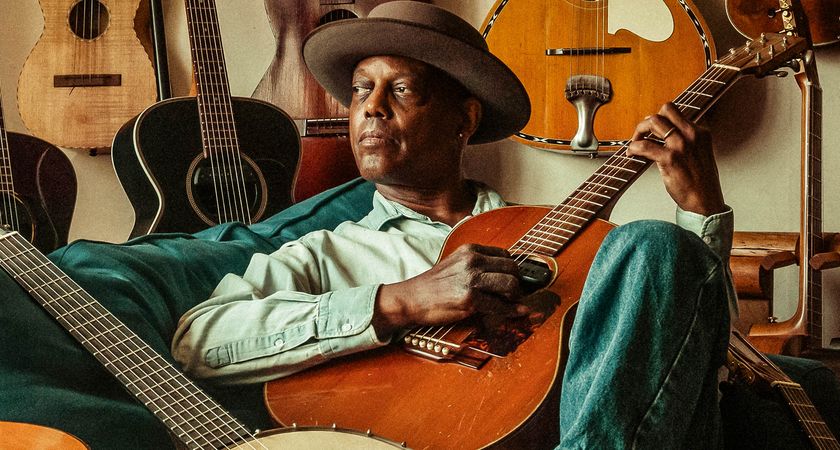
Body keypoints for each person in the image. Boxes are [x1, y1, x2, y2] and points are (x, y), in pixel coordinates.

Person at [172, 2, 735, 448]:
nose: (371, 106)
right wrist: (400, 302)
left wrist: (702, 210)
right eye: (361, 89)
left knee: (655, 241)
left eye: (402, 88)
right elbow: (198, 341)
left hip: (565, 430)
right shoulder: (325, 252)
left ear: (464, 118)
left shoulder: (560, 235)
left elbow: (690, 349)